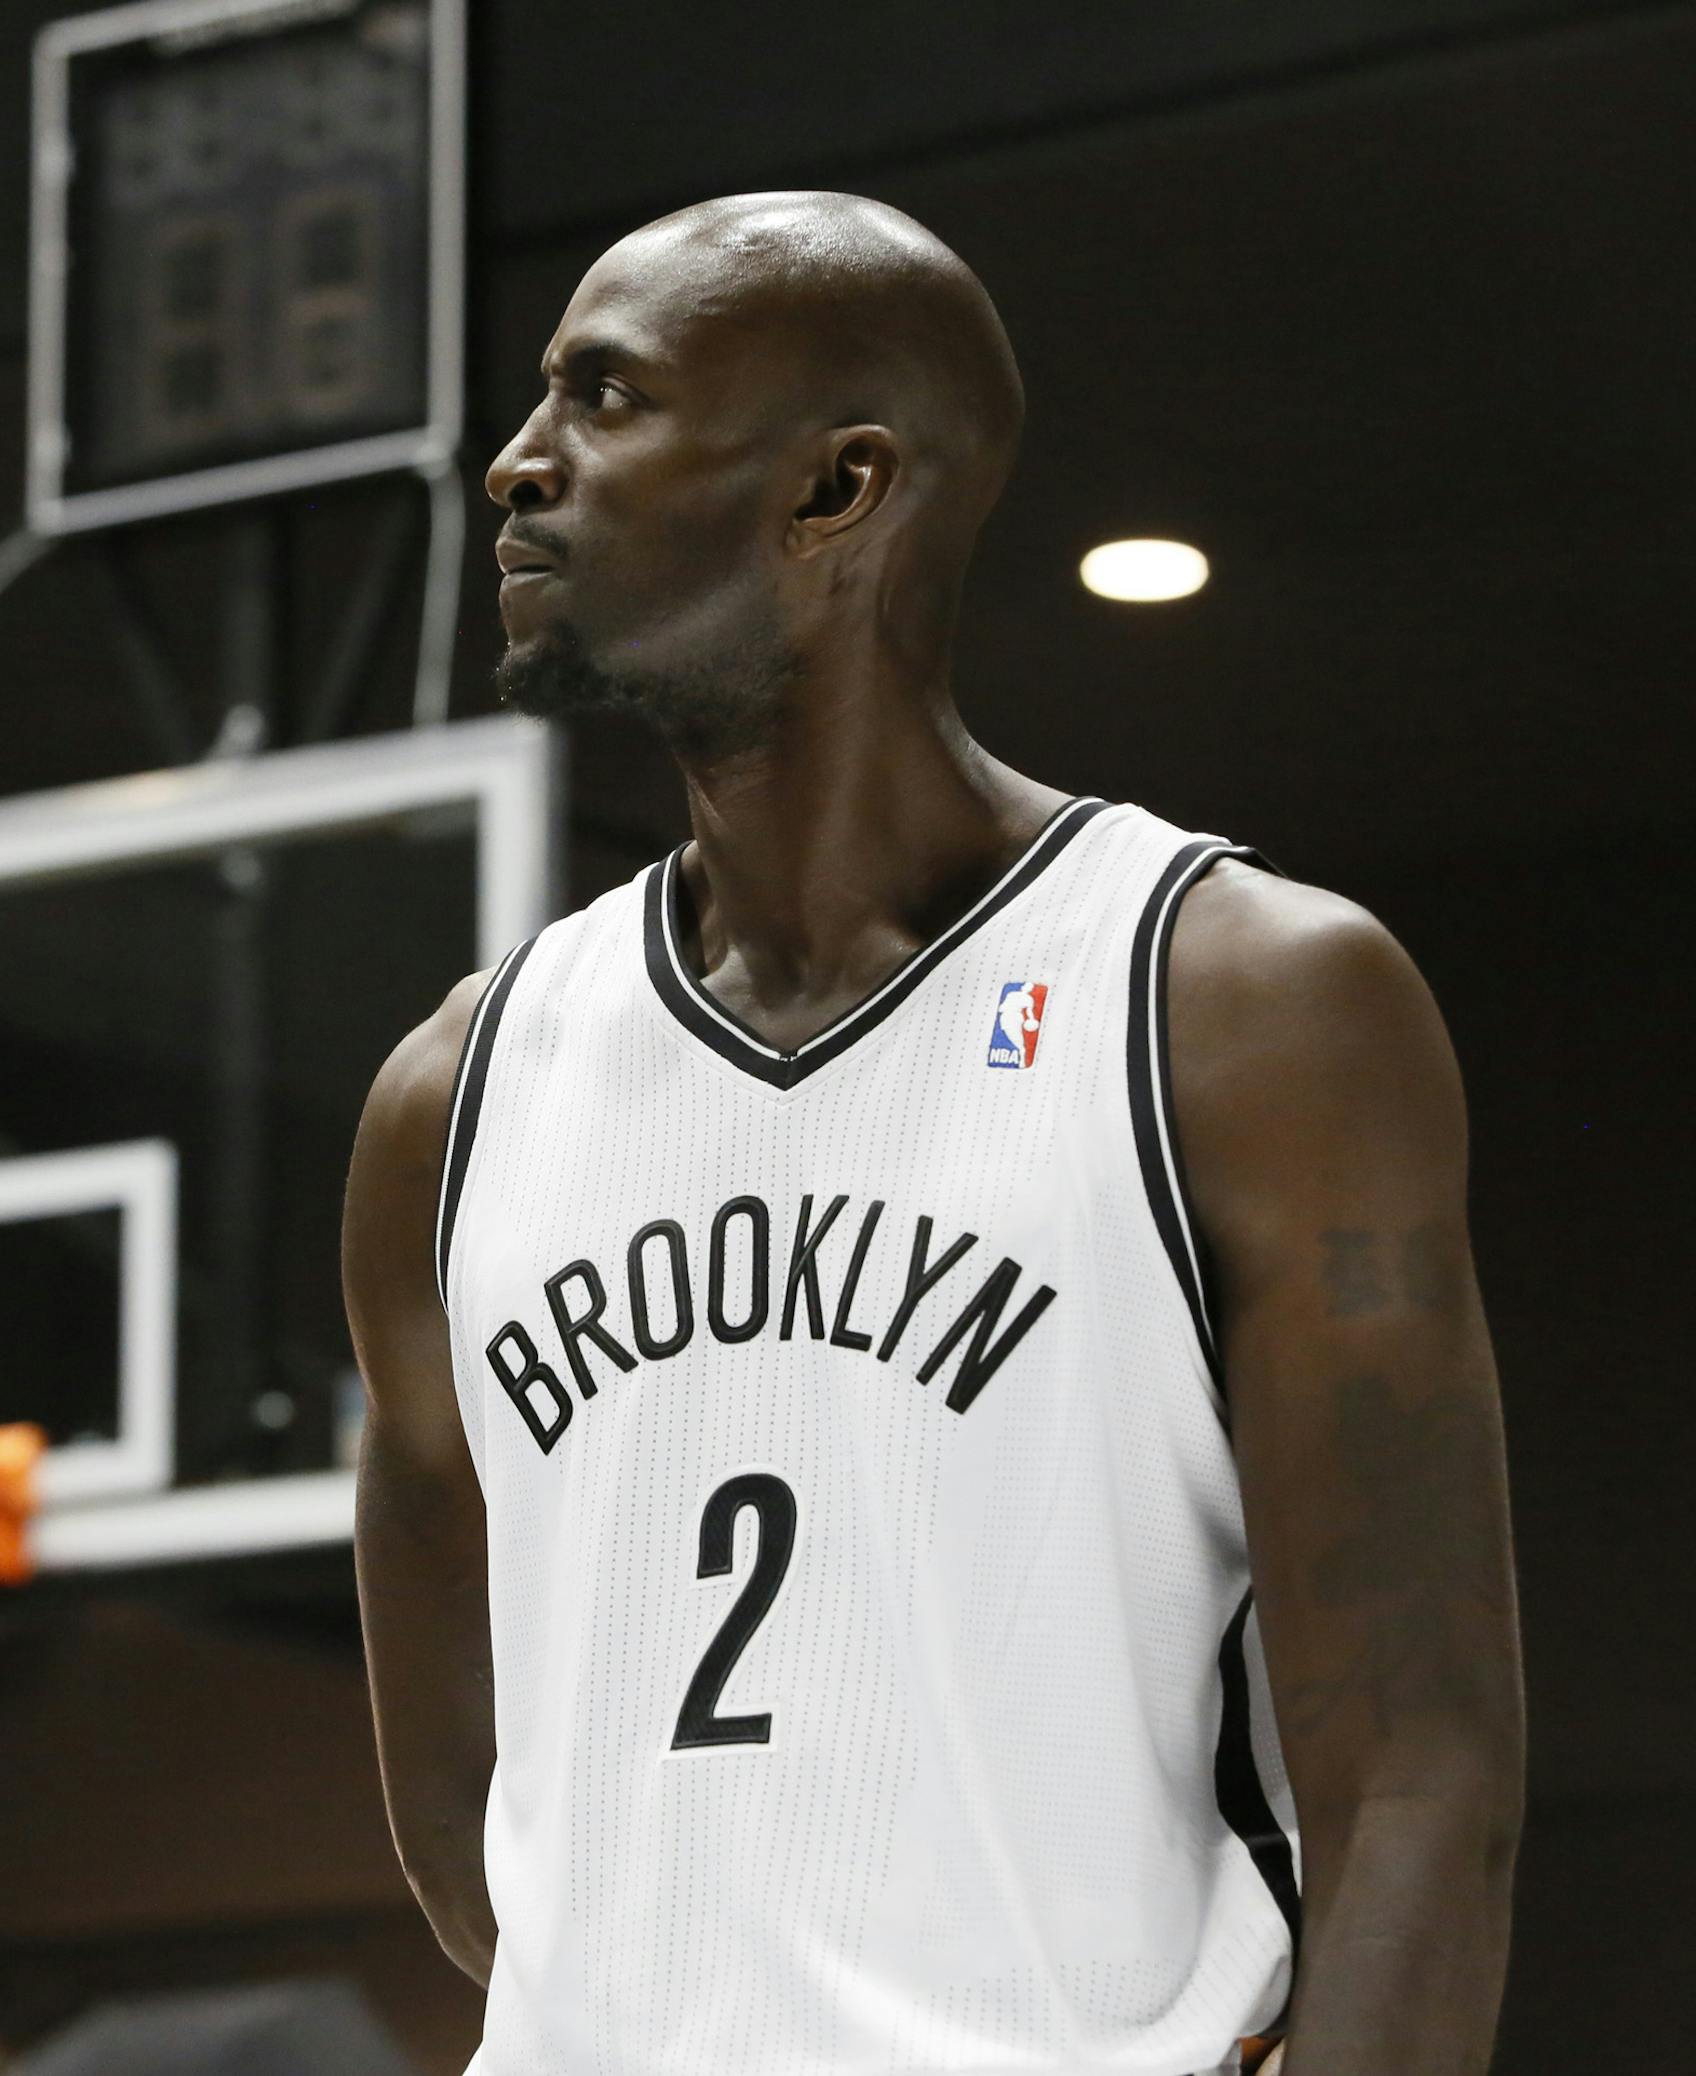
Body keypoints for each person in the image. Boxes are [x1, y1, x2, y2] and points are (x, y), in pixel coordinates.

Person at [342, 191, 1523, 2076]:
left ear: (840, 492)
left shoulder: (1237, 1002)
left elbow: (1422, 1772)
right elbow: (469, 1808)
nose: (516, 462)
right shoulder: (455, 1095)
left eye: (607, 397)